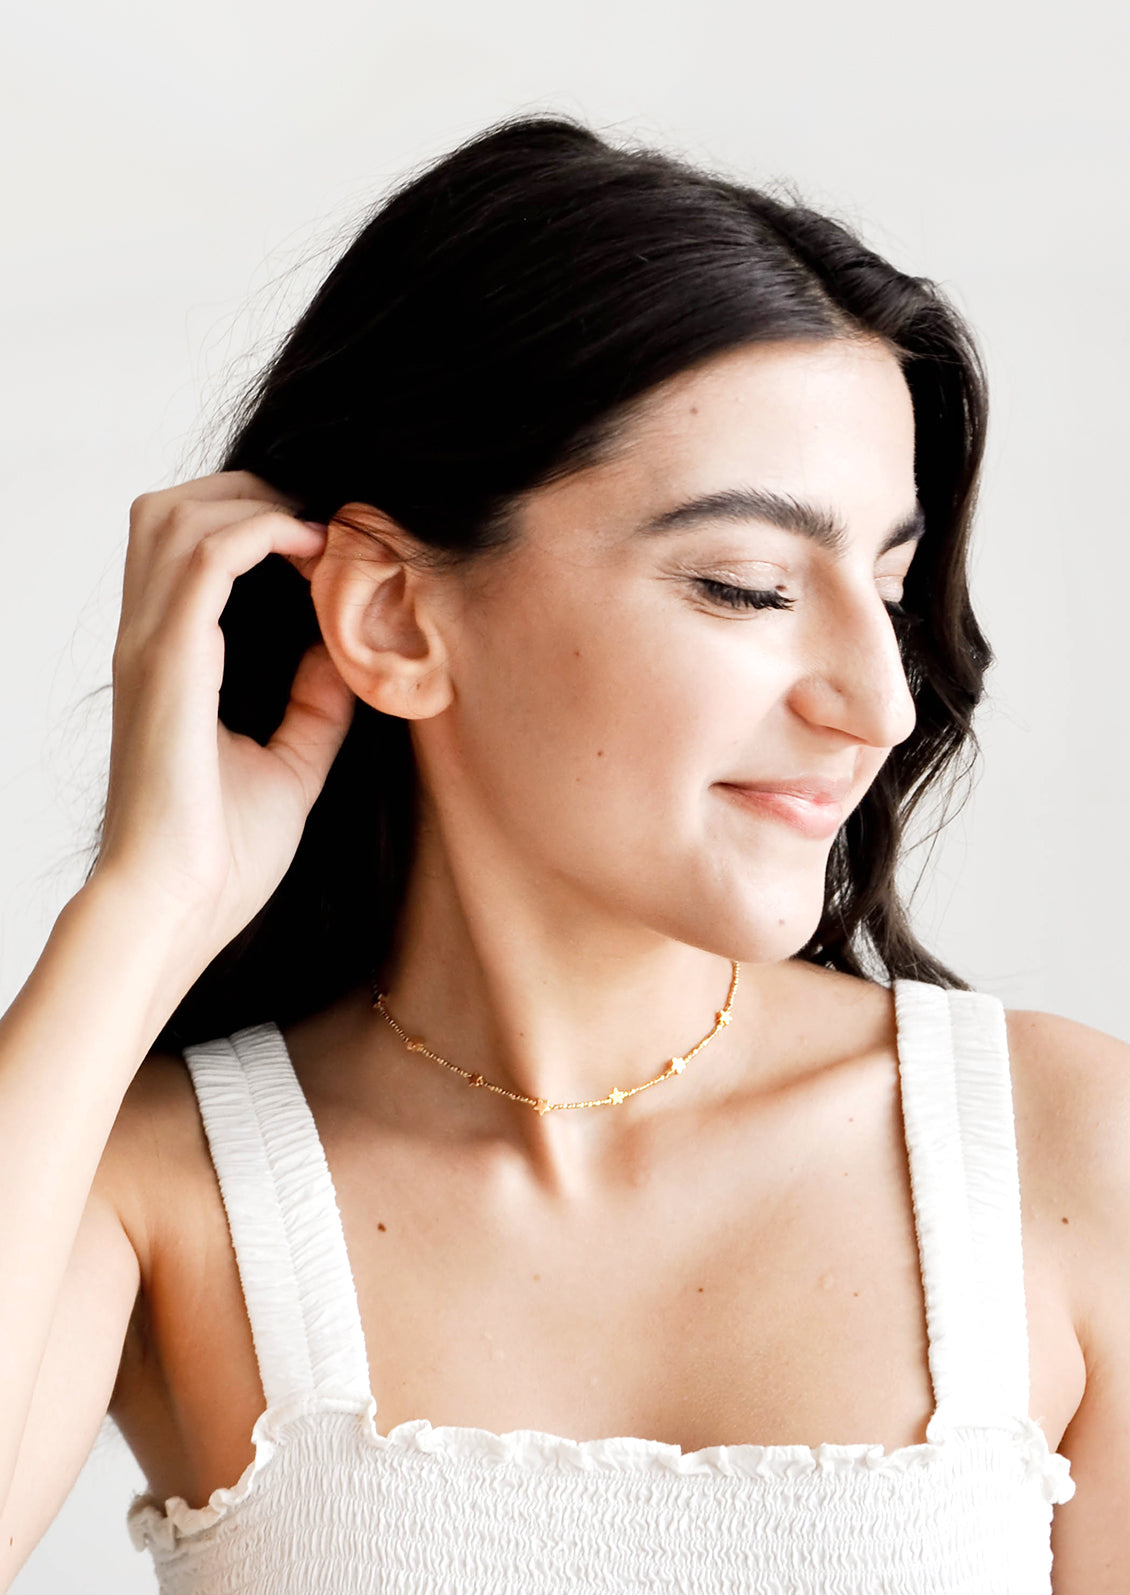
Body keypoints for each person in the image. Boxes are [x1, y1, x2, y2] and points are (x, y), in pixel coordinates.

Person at [0, 112, 1124, 1595]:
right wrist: (146, 910)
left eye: (890, 584)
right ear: (396, 621)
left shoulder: (1059, 1149)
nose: (878, 702)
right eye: (746, 586)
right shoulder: (153, 1183)